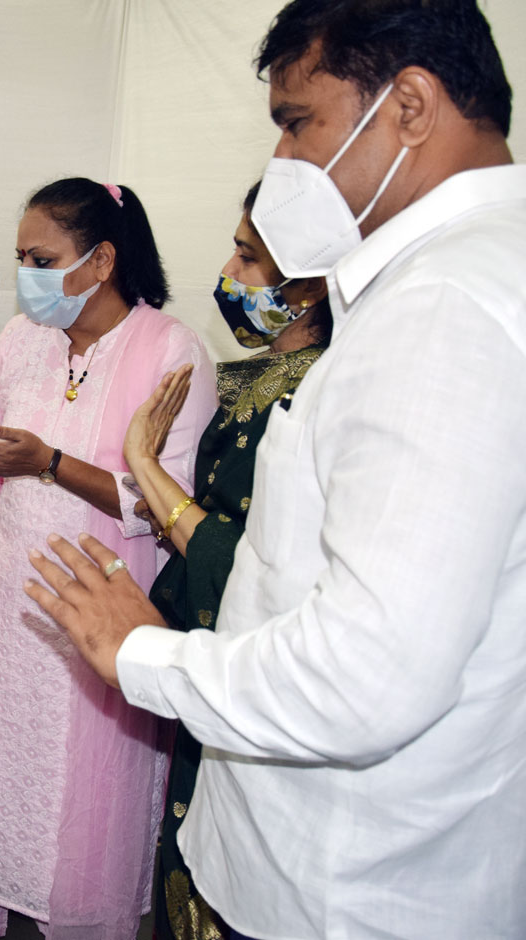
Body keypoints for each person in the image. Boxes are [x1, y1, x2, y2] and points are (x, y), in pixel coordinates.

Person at [25, 3, 526, 938]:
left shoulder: (446, 308)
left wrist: (144, 652)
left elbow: (366, 675)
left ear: (410, 106)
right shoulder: (451, 280)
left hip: (348, 882)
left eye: (297, 123)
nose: (283, 164)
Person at [0, 178, 217, 939]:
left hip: (103, 617)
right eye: (21, 254)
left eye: (39, 257)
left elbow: (166, 504)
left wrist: (51, 463)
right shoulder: (22, 343)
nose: (24, 274)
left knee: (83, 800)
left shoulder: (172, 349)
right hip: (8, 611)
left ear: (101, 260)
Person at [122, 183, 330, 940]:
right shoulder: (241, 379)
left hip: (255, 664)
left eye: (247, 255)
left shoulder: (318, 395)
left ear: (307, 282)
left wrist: (144, 463)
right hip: (204, 650)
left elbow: (255, 562)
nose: (228, 272)